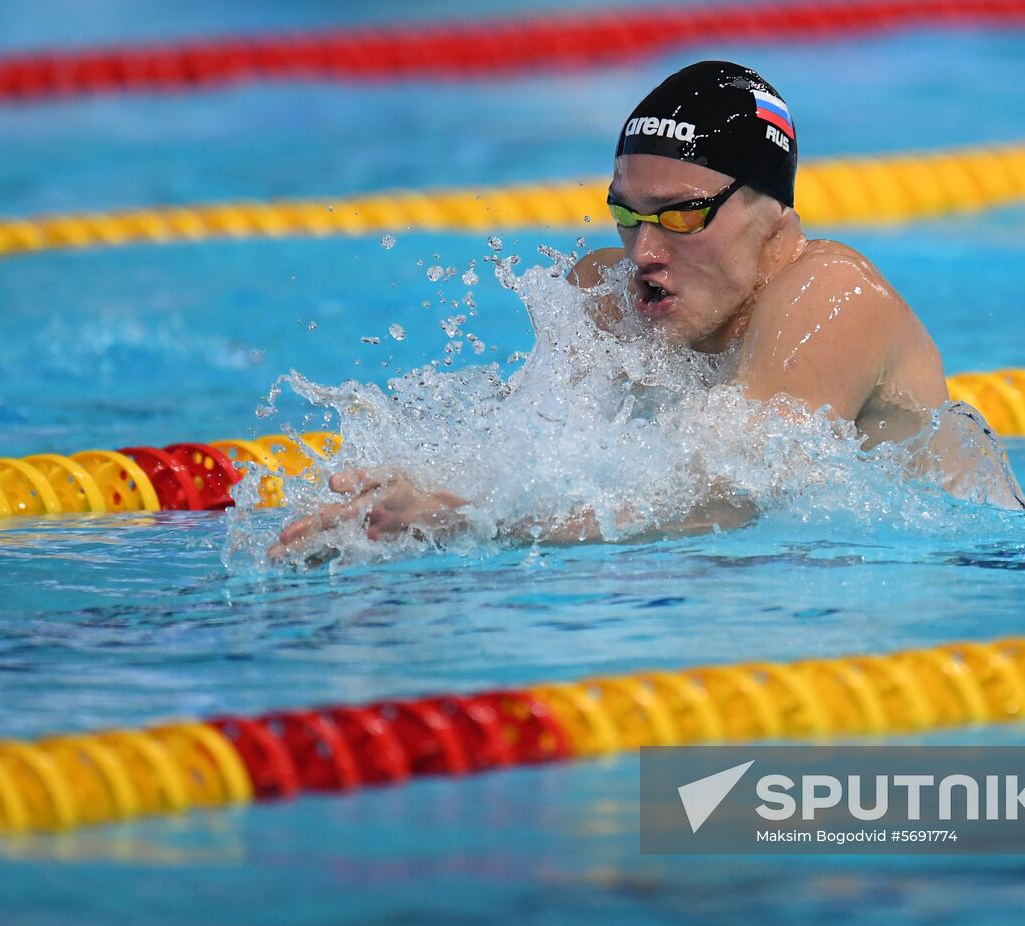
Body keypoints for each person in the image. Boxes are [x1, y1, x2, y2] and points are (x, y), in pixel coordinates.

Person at [269, 61, 964, 563]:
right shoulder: (608, 298)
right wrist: (407, 505)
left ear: (774, 221)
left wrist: (472, 522)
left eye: (682, 215)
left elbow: (726, 501)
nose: (643, 253)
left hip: (972, 569)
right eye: (627, 215)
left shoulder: (832, 295)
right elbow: (534, 453)